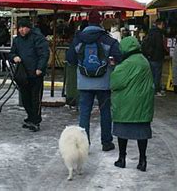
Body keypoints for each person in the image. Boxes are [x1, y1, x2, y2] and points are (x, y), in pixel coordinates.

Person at [66, 10, 122, 151]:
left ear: (88, 21)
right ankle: (107, 142)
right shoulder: (108, 40)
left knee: (84, 114)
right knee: (105, 112)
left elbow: (70, 59)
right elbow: (119, 57)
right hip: (104, 83)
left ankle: (84, 145)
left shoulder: (78, 39)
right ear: (101, 21)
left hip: (84, 83)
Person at [110, 36, 154, 171]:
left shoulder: (127, 64)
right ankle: (142, 160)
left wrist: (115, 67)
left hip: (126, 104)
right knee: (142, 133)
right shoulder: (144, 60)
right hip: (143, 104)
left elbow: (115, 83)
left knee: (122, 131)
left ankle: (122, 158)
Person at [9, 18, 50, 132]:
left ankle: (36, 120)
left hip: (35, 74)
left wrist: (40, 68)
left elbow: (44, 54)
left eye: (24, 27)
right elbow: (12, 53)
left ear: (29, 28)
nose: (22, 30)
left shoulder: (37, 38)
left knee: (35, 99)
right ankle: (30, 117)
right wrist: (13, 57)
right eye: (20, 28)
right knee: (26, 99)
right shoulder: (17, 40)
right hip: (23, 74)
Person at [142, 19, 167, 96]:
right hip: (157, 57)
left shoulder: (150, 32)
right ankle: (156, 90)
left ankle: (151, 89)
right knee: (157, 75)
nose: (164, 26)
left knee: (152, 75)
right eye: (163, 24)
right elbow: (159, 46)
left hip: (150, 57)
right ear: (160, 24)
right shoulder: (158, 34)